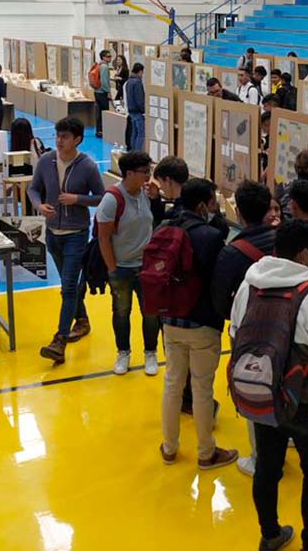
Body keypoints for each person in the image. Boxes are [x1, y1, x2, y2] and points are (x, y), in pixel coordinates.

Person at [231, 220, 308, 551]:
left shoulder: (249, 286)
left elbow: (236, 334)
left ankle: (270, 534)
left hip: (263, 395)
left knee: (267, 469)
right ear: (304, 254)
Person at [159, 179, 234, 470]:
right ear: (203, 205)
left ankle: (169, 447)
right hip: (201, 320)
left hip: (171, 318)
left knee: (172, 383)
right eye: (213, 201)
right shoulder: (210, 236)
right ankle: (206, 452)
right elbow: (217, 278)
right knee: (202, 388)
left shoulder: (165, 227)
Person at [211, 180, 277, 476]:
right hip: (290, 327)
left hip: (251, 334)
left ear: (238, 211)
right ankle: (285, 441)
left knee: (256, 390)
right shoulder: (283, 241)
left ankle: (262, 459)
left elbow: (219, 300)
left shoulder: (233, 253)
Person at [30, 116, 105, 363]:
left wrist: (77, 199)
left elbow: (101, 197)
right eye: (58, 135)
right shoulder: (46, 160)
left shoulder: (88, 166)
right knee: (68, 283)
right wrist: (39, 205)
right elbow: (33, 188)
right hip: (52, 233)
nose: (59, 141)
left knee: (68, 287)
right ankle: (82, 320)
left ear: (78, 140)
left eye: (64, 137)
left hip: (76, 234)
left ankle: (59, 340)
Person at [96, 151, 159, 375]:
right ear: (130, 173)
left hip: (147, 267)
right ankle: (123, 352)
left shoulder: (146, 194)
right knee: (121, 312)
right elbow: (103, 238)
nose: (148, 176)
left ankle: (150, 352)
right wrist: (113, 268)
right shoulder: (112, 199)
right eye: (145, 172)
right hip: (122, 267)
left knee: (151, 313)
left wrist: (156, 198)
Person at [124, 62, 146, 151]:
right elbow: (139, 99)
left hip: (131, 110)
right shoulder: (137, 83)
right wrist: (143, 110)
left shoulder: (128, 82)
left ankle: (133, 151)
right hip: (137, 111)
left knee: (134, 132)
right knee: (141, 134)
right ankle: (138, 153)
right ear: (140, 71)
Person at [92, 49, 112, 137]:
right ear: (103, 57)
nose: (110, 58)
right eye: (108, 56)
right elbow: (104, 81)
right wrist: (108, 91)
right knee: (104, 112)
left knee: (99, 112)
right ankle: (103, 130)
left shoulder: (99, 65)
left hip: (97, 91)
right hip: (102, 93)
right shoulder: (104, 67)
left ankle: (99, 130)